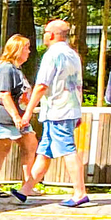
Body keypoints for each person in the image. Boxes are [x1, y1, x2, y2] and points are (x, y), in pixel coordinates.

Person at [21, 19, 89, 206]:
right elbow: (77, 84)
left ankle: (79, 192)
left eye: (45, 32)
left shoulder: (52, 55)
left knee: (67, 149)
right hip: (69, 107)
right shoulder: (73, 55)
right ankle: (25, 190)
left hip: (57, 110)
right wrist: (78, 111)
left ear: (51, 35)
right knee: (45, 151)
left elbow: (42, 85)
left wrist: (28, 112)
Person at [0, 35, 33, 198]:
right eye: (26, 48)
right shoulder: (6, 69)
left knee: (30, 144)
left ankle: (28, 184)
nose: (29, 51)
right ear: (17, 50)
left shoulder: (17, 69)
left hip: (19, 116)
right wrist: (15, 117)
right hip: (4, 117)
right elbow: (4, 94)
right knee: (2, 148)